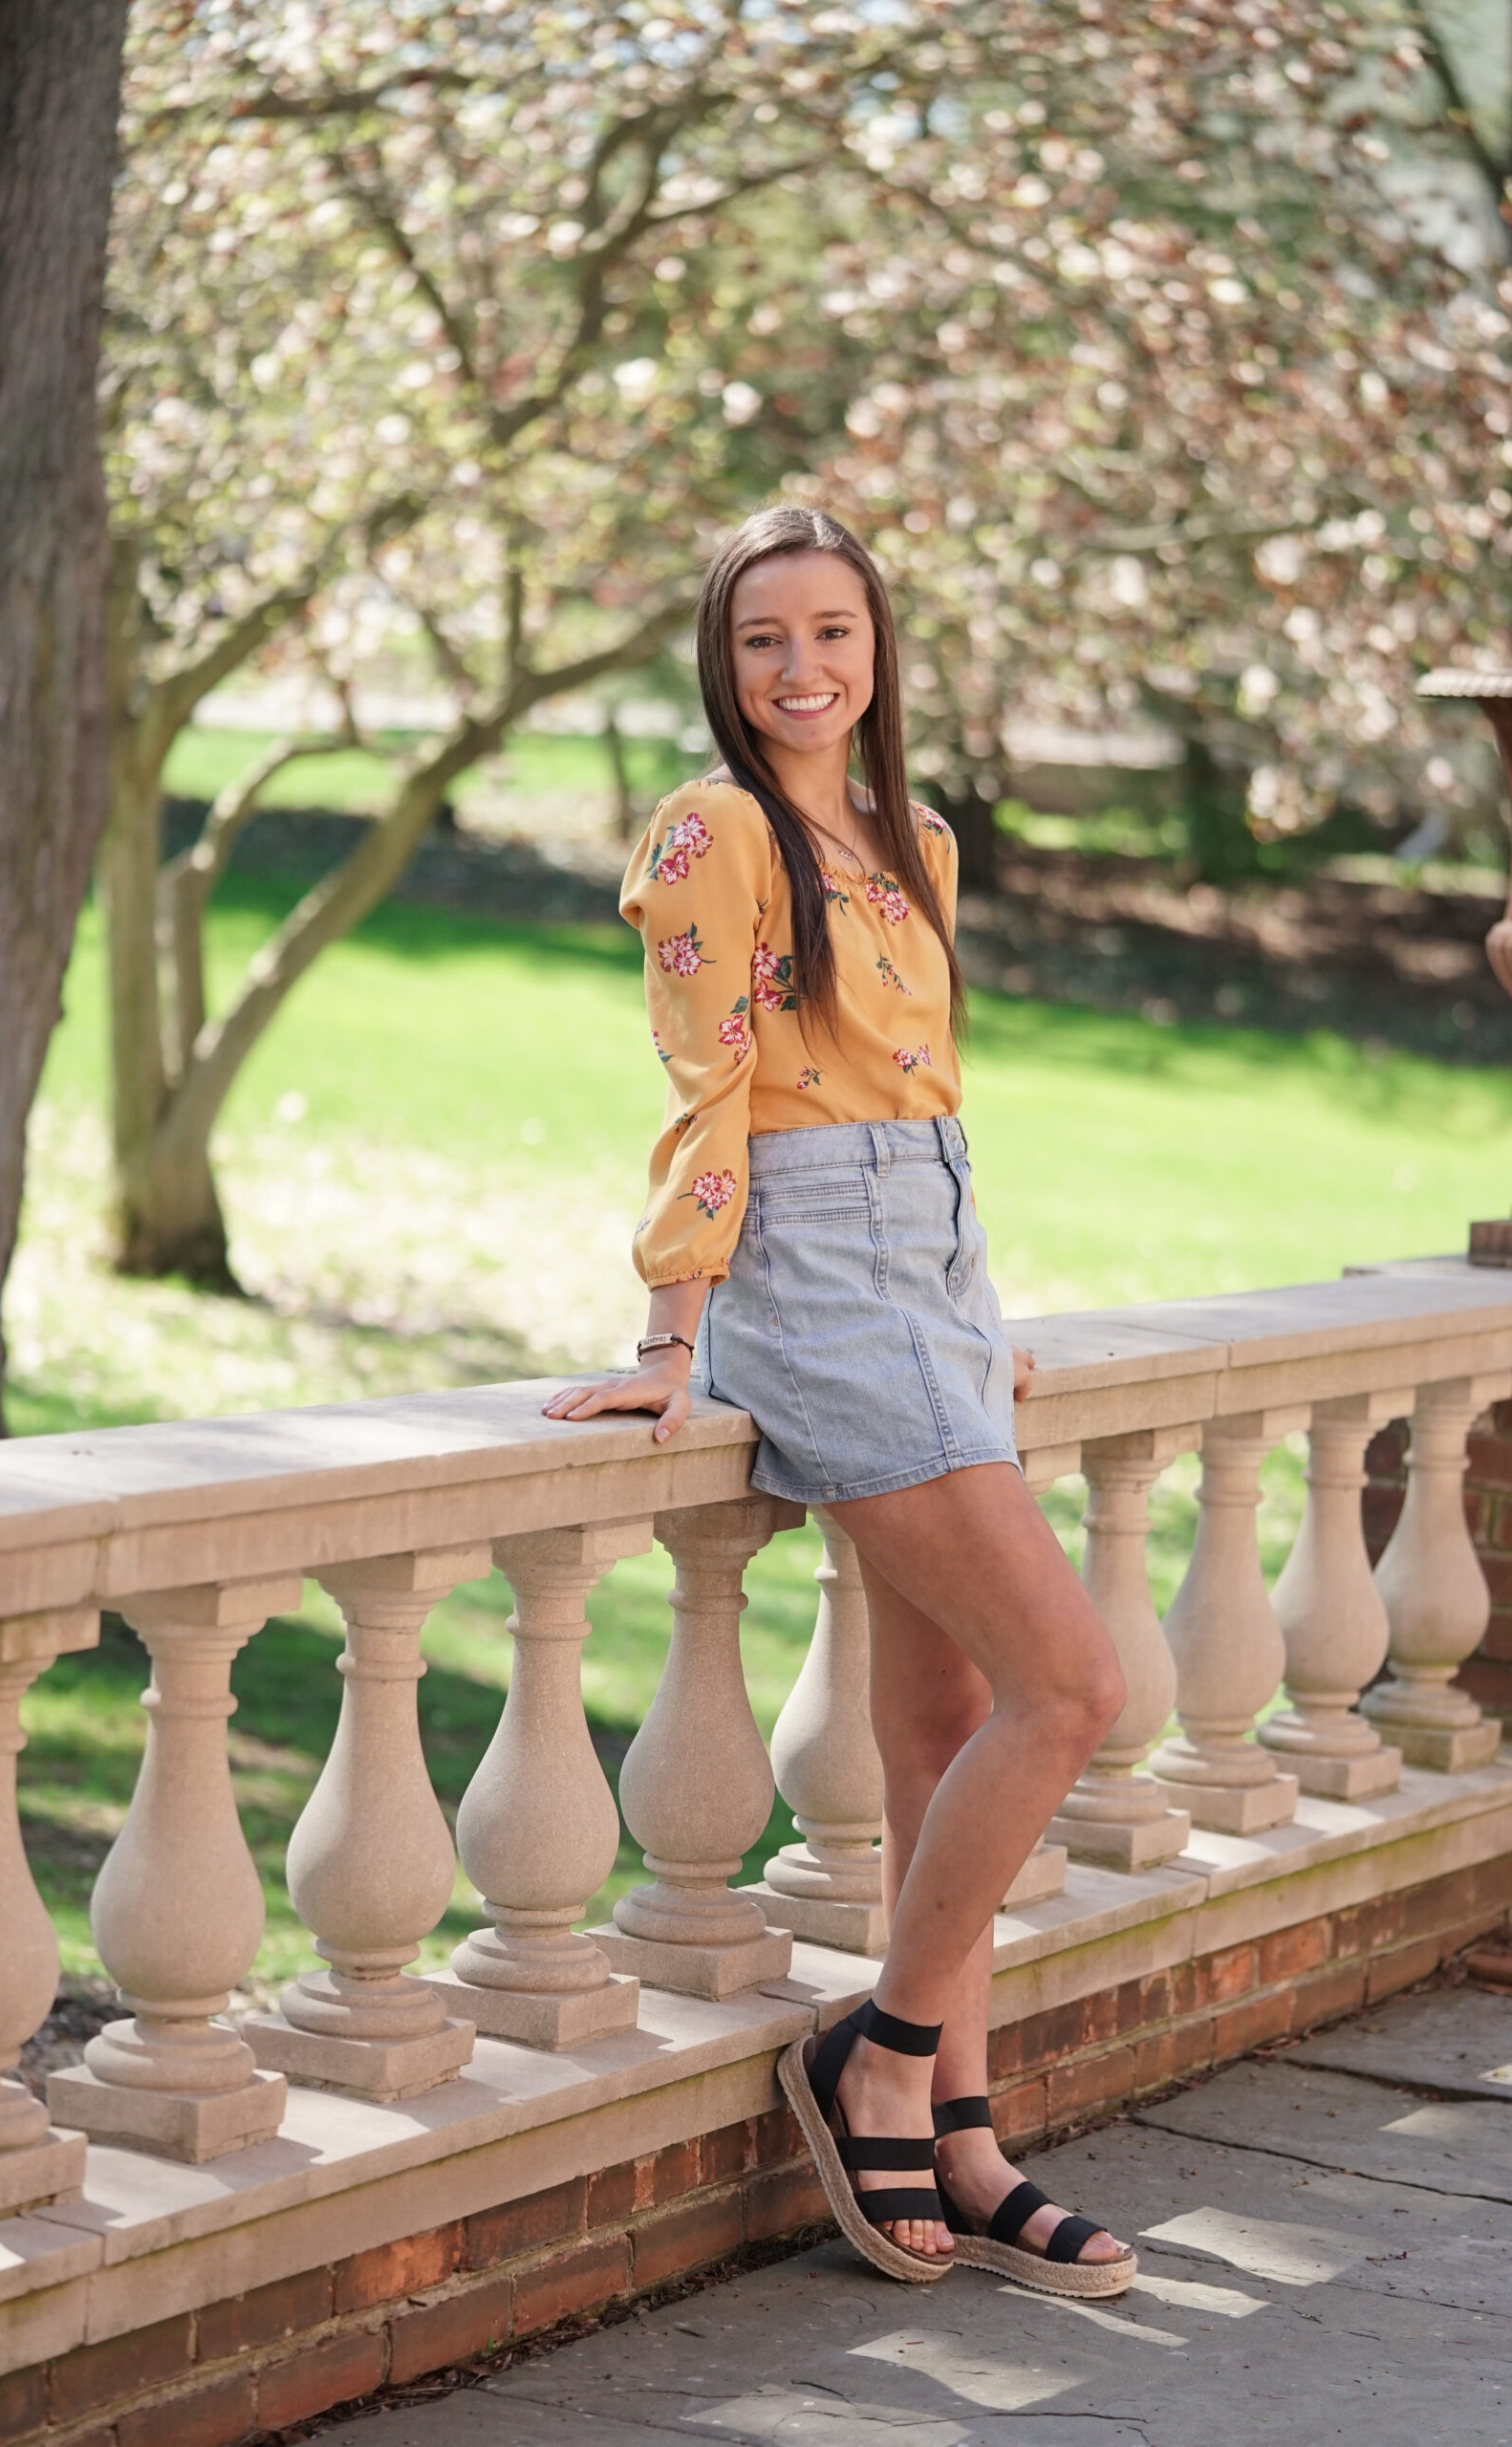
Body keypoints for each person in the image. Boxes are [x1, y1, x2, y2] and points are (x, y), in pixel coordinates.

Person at [542, 504, 1134, 2295]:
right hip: (814, 1272)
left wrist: (970, 1310)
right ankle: (872, 2050)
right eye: (761, 641)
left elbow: (927, 1094)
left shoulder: (914, 839)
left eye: (833, 636)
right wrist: (672, 1329)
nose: (801, 671)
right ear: (723, 668)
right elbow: (705, 1083)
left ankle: (959, 2125)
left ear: (879, 653)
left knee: (943, 1717)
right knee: (1077, 1684)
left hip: (932, 1265)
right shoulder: (714, 831)